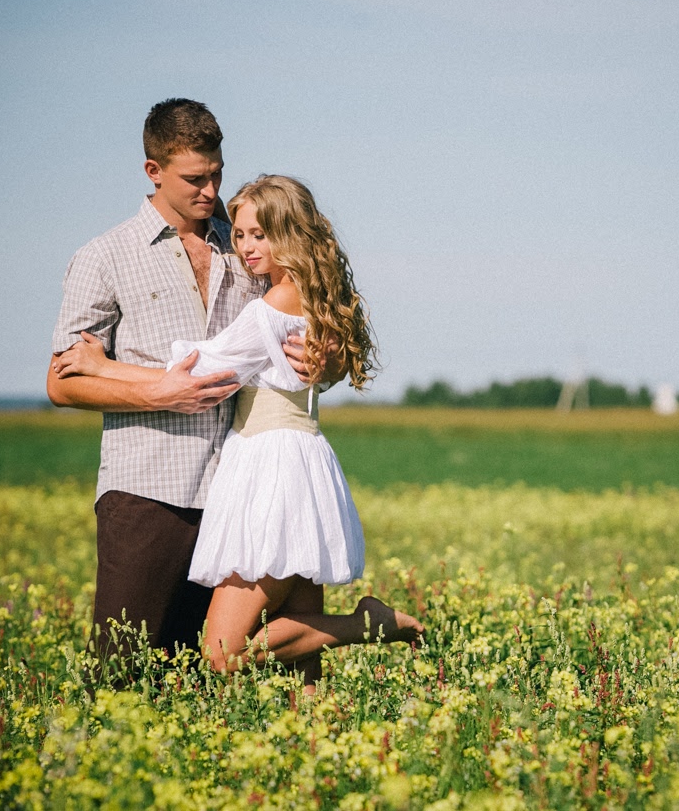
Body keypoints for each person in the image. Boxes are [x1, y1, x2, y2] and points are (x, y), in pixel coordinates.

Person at [55, 175, 423, 690]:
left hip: (270, 469)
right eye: (242, 235)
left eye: (259, 235)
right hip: (303, 461)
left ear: (290, 235)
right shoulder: (312, 294)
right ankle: (313, 747)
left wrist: (101, 365)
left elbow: (202, 367)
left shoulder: (271, 306)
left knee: (222, 652)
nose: (246, 248)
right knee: (304, 674)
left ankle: (371, 624)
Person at [48, 98, 299, 675]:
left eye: (216, 174)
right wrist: (157, 392)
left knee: (205, 675)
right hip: (146, 492)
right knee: (121, 669)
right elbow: (61, 383)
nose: (210, 191)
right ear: (153, 172)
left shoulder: (244, 249)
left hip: (236, 493)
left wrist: (324, 356)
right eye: (194, 179)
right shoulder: (103, 257)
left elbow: (292, 330)